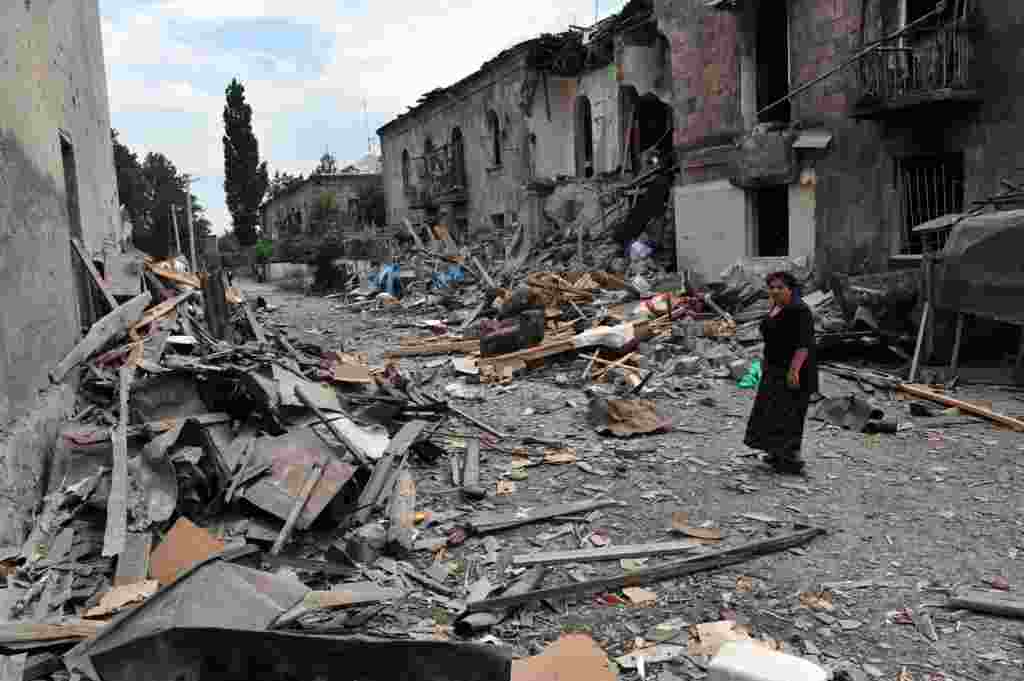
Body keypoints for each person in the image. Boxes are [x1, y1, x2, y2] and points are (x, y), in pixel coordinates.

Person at [743, 271, 818, 475]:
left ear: (790, 289)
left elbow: (804, 344)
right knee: (772, 409)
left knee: (790, 413)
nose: (775, 291)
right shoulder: (777, 306)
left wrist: (794, 371)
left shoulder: (799, 310)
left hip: (795, 368)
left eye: (780, 287)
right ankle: (775, 452)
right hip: (774, 368)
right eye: (772, 287)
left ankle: (790, 459)